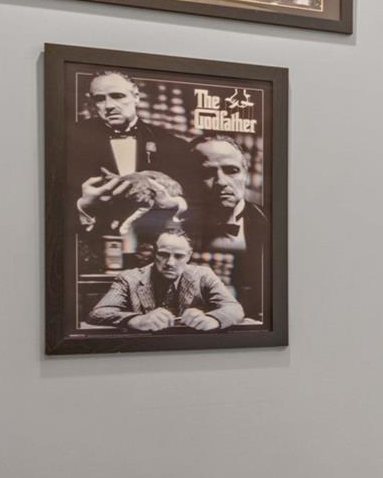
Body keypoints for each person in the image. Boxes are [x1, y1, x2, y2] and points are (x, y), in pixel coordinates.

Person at [69, 69, 200, 230]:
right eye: (100, 99)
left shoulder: (172, 144)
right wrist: (82, 205)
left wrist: (174, 204)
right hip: (92, 241)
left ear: (136, 97)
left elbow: (199, 203)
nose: (109, 106)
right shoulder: (71, 139)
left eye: (118, 96)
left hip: (155, 245)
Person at [86, 231, 244, 332]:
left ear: (189, 256)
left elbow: (234, 308)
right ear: (155, 254)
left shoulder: (203, 275)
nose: (170, 262)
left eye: (179, 256)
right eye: (163, 254)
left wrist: (212, 319)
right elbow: (98, 313)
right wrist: (136, 320)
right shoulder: (129, 278)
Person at [189, 136, 270, 322]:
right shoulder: (174, 224)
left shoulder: (270, 222)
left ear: (245, 172)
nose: (221, 182)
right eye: (206, 173)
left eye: (231, 170)